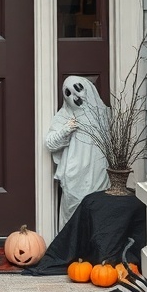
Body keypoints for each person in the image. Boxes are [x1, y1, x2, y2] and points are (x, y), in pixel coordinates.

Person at [45, 75, 110, 228]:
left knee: (97, 211)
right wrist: (66, 129)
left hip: (98, 173)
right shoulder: (65, 115)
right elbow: (50, 143)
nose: (75, 96)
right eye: (68, 93)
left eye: (78, 89)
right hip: (75, 176)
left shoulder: (106, 115)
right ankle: (70, 247)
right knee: (74, 215)